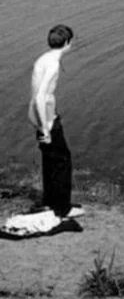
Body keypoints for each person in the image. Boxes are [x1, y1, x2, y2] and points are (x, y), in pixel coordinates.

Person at [28, 24, 75, 219]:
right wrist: (46, 128)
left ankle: (49, 201)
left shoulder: (43, 58)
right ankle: (61, 208)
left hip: (35, 113)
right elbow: (41, 96)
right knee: (63, 161)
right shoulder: (54, 63)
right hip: (45, 115)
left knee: (50, 160)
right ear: (67, 43)